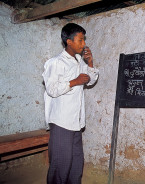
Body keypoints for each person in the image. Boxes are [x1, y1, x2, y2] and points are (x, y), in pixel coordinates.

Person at [42, 23, 99, 184]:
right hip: (61, 121)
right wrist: (75, 81)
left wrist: (90, 63)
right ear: (69, 41)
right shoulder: (55, 62)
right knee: (61, 165)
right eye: (80, 40)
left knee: (76, 162)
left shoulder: (79, 61)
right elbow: (52, 89)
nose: (84, 44)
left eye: (84, 40)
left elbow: (91, 80)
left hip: (76, 121)